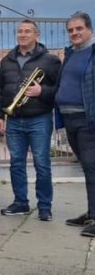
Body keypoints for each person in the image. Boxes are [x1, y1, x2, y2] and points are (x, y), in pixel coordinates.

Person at [0, 19, 61, 221]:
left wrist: (42, 91)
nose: (23, 35)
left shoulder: (50, 61)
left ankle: (44, 206)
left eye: (27, 31)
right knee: (16, 164)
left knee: (42, 164)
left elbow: (60, 90)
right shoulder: (7, 60)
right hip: (14, 120)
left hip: (39, 119)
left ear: (36, 35)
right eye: (20, 31)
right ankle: (20, 202)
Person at [56, 12, 95, 237]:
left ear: (89, 29)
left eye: (78, 29)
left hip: (88, 120)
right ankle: (91, 212)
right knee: (87, 168)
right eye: (70, 30)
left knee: (92, 168)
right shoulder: (71, 54)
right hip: (70, 118)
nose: (74, 33)